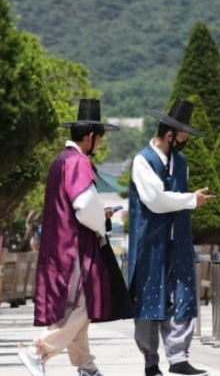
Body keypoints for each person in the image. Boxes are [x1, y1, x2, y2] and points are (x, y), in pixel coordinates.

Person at [18, 98, 133, 376]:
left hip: (58, 246)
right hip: (75, 248)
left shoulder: (60, 161)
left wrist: (95, 213)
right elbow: (84, 207)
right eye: (100, 140)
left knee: (75, 307)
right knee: (84, 304)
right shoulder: (79, 162)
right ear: (91, 137)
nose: (100, 145)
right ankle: (38, 350)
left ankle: (85, 366)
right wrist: (100, 220)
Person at [128, 97, 215, 376]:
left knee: (182, 295)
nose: (186, 139)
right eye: (183, 134)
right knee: (148, 298)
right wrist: (192, 199)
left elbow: (172, 197)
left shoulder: (181, 161)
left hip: (178, 240)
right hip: (150, 242)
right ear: (170, 135)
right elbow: (156, 200)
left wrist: (189, 200)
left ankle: (178, 358)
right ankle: (150, 361)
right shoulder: (143, 160)